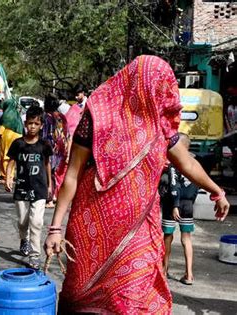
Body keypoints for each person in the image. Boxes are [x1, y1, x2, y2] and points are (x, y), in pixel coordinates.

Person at [43, 55, 230, 314]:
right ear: (140, 84)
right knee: (84, 302)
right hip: (92, 231)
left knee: (130, 301)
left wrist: (216, 190)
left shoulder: (159, 125)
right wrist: (55, 227)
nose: (165, 93)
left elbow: (187, 163)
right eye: (160, 86)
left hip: (138, 234)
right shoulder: (98, 117)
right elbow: (72, 175)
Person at [5, 105, 53, 270]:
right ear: (25, 124)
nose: (32, 126)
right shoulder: (18, 144)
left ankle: (35, 255)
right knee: (23, 221)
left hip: (39, 189)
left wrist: (49, 185)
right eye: (30, 123)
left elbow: (47, 165)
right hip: (22, 189)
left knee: (37, 222)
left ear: (41, 125)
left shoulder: (44, 145)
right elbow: (11, 162)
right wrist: (8, 178)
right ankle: (23, 239)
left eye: (36, 123)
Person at [161, 133, 199, 285]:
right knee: (187, 239)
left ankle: (164, 271)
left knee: (168, 238)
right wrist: (190, 202)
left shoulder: (174, 163)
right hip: (188, 205)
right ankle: (189, 274)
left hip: (172, 204)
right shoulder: (195, 162)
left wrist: (175, 205)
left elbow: (174, 185)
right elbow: (197, 185)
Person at [42, 94, 69, 208]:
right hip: (60, 149)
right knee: (54, 174)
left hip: (49, 148)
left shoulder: (46, 118)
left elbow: (44, 135)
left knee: (48, 173)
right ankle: (54, 196)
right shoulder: (61, 117)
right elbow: (67, 133)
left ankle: (49, 199)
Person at [0, 99, 23, 184]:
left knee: (6, 156)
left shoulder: (5, 115)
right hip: (18, 136)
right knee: (14, 157)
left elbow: (2, 128)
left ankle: (6, 177)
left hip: (7, 137)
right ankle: (12, 176)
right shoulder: (17, 115)